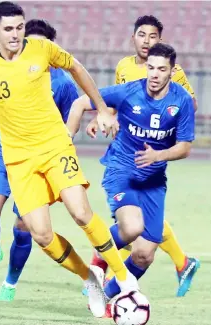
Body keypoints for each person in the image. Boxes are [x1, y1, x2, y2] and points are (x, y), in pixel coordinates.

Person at [0, 2, 140, 318]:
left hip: (54, 146)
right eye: (8, 29)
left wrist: (103, 108)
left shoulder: (41, 48)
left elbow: (77, 68)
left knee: (80, 212)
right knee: (41, 234)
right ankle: (89, 278)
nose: (15, 35)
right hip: (18, 160)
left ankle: (123, 277)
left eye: (19, 27)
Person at [67, 43, 195, 311]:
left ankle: (103, 297)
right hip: (121, 170)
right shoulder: (129, 91)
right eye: (151, 68)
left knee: (145, 254)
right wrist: (71, 133)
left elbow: (184, 147)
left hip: (154, 181)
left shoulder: (181, 100)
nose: (155, 74)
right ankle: (97, 265)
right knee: (133, 227)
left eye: (162, 69)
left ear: (172, 72)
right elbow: (81, 101)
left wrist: (158, 157)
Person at [0, 18, 79, 302]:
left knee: (24, 226)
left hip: (39, 159)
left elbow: (74, 117)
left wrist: (61, 143)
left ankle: (9, 283)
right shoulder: (5, 66)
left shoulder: (63, 83)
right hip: (5, 151)